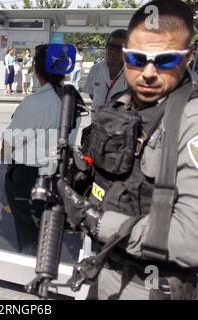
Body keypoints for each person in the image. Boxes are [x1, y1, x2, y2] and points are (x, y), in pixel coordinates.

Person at [62, 0, 198, 300]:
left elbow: (192, 241)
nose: (148, 72)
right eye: (137, 58)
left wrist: (98, 222)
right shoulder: (122, 105)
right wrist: (81, 184)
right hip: (105, 270)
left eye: (164, 60)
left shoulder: (192, 121)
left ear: (187, 56)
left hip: (155, 287)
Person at [2, 44, 65, 255]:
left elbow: (10, 142)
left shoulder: (36, 102)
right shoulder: (69, 98)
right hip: (55, 173)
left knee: (28, 229)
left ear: (37, 68)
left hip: (28, 175)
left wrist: (7, 166)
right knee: (48, 228)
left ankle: (29, 272)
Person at [83, 29, 128, 119]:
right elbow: (92, 94)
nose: (113, 52)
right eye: (110, 47)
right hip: (97, 124)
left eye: (119, 49)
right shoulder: (95, 69)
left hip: (122, 125)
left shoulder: (134, 72)